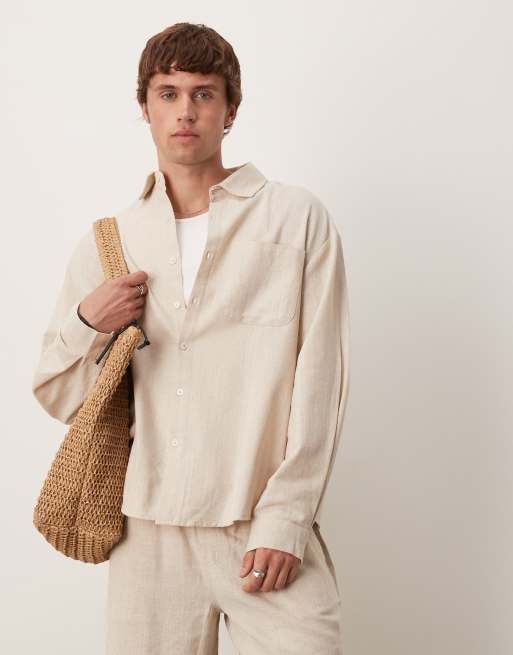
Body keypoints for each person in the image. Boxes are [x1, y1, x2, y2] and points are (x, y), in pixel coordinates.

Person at [32, 21, 350, 654]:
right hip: (147, 533)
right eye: (168, 93)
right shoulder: (112, 240)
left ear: (231, 109)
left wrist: (286, 518)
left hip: (259, 523)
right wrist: (87, 322)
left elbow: (321, 381)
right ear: (144, 107)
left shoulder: (294, 219)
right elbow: (59, 393)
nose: (185, 111)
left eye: (204, 94)